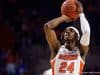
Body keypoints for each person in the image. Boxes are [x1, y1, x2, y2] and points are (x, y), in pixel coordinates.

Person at [43, 1, 90, 75]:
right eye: (65, 31)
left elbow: (86, 32)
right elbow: (47, 27)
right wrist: (65, 17)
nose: (67, 32)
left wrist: (81, 14)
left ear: (77, 37)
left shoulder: (81, 51)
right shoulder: (57, 49)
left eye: (71, 31)